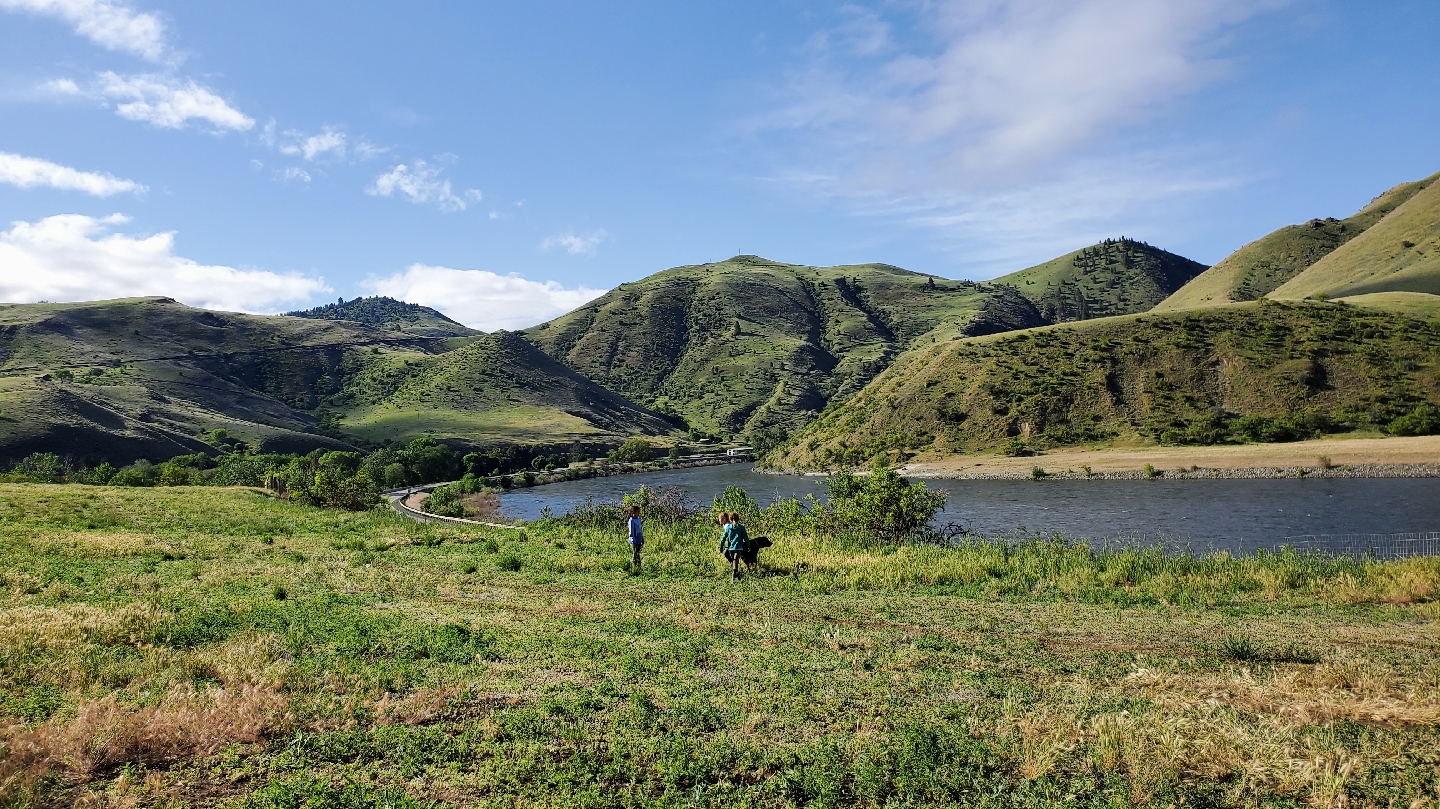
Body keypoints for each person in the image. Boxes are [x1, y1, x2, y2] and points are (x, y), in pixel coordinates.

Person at [626, 505, 644, 570]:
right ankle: (634, 567)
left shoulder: (638, 519)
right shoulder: (631, 520)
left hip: (639, 539)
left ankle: (639, 566)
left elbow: (640, 529)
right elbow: (631, 532)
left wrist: (642, 538)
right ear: (633, 512)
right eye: (637, 512)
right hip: (634, 540)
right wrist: (633, 540)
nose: (639, 513)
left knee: (638, 553)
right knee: (635, 553)